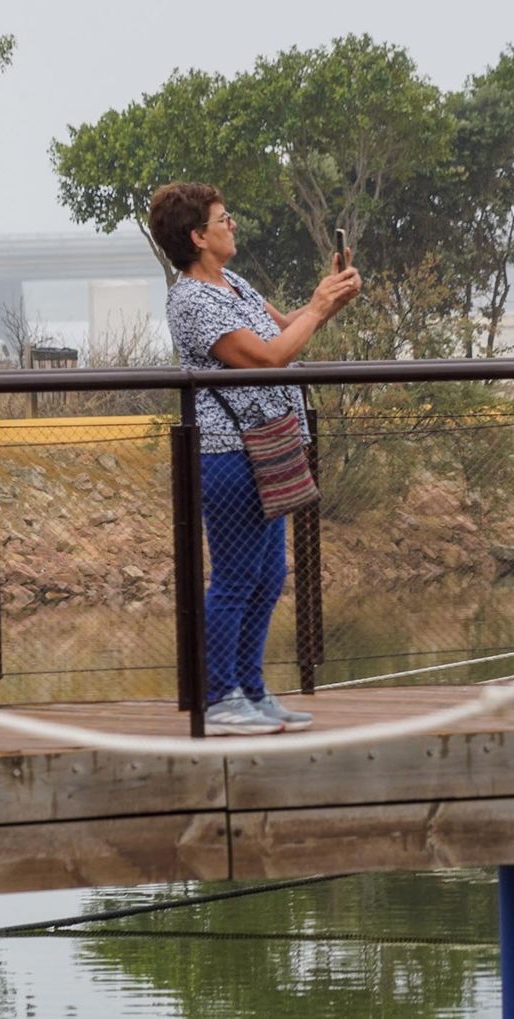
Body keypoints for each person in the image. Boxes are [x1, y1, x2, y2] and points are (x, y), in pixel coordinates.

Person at [152, 182, 362, 736]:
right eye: (224, 219)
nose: (233, 225)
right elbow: (267, 358)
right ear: (198, 237)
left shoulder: (233, 283)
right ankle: (219, 698)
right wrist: (316, 309)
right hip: (229, 453)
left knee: (269, 574)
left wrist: (328, 300)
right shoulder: (192, 300)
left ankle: (250, 689)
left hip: (268, 444)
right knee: (237, 575)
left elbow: (283, 327)